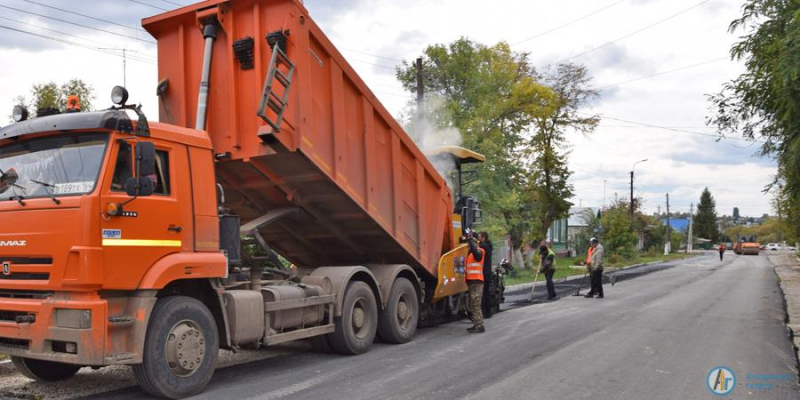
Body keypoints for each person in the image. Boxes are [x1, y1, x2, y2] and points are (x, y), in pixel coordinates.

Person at [462, 231, 485, 333]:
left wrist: (471, 240)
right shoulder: (470, 254)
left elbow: (477, 254)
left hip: (477, 281)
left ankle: (479, 326)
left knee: (476, 304)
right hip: (472, 282)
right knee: (473, 304)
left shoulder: (480, 252)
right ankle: (476, 323)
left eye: (470, 243)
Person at [478, 232, 494, 317]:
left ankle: (485, 312)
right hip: (487, 272)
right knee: (486, 292)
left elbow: (476, 251)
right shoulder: (488, 246)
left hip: (484, 272)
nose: (478, 238)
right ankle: (488, 311)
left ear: (483, 237)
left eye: (479, 237)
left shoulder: (483, 246)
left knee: (483, 293)